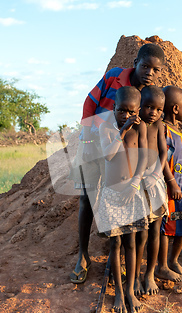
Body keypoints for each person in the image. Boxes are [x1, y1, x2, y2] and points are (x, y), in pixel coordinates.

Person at [69, 43, 165, 284]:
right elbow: (90, 101)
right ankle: (82, 256)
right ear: (135, 62)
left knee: (119, 203)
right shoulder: (114, 77)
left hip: (121, 156)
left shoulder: (147, 95)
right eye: (145, 66)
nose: (149, 73)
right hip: (94, 142)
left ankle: (117, 261)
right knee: (87, 198)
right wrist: (88, 135)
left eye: (155, 70)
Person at [97, 86, 148, 313]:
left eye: (131, 112)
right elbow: (108, 154)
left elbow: (145, 156)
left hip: (133, 192)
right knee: (115, 243)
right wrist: (123, 130)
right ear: (114, 108)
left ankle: (129, 290)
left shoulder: (142, 127)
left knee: (131, 242)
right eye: (121, 112)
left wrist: (136, 181)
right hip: (112, 194)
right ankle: (118, 291)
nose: (126, 116)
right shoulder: (107, 128)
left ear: (138, 110)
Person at [133, 85, 168, 296]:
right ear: (139, 107)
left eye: (157, 109)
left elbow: (163, 152)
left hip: (155, 182)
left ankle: (149, 274)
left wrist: (156, 175)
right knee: (140, 233)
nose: (153, 112)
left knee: (155, 231)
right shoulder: (136, 125)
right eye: (148, 107)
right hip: (138, 184)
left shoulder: (159, 125)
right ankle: (135, 275)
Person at [157, 86, 182, 281]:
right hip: (170, 189)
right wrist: (171, 183)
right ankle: (162, 265)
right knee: (166, 226)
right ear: (175, 108)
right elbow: (161, 159)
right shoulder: (163, 131)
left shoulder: (177, 132)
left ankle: (173, 261)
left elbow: (181, 154)